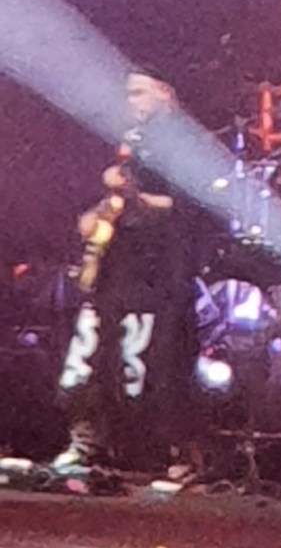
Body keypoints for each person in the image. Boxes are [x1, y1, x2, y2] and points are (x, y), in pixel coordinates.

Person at [53, 67, 199, 474]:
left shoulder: (183, 145)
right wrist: (100, 212)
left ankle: (164, 449)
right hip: (115, 271)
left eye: (139, 92)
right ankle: (89, 440)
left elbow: (186, 207)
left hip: (158, 272)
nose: (130, 100)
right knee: (93, 355)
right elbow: (102, 206)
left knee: (153, 362)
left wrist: (135, 196)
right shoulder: (126, 143)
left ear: (165, 94)